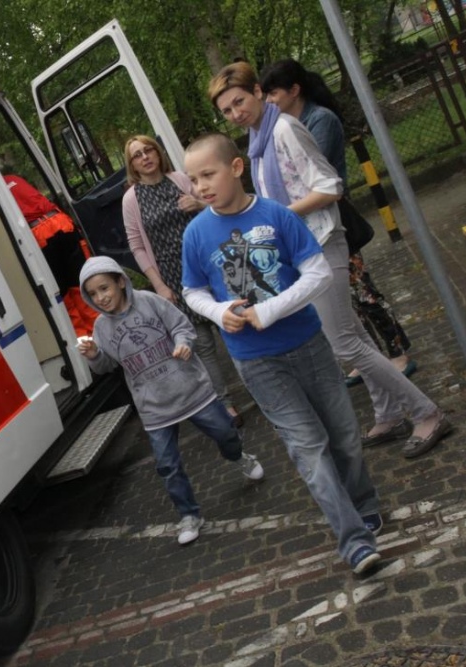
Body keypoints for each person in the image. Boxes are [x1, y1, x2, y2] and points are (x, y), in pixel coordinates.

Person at [208, 61, 450, 460]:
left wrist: (281, 217)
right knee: (352, 334)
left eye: (239, 102)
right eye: (226, 111)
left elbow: (330, 186)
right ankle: (389, 414)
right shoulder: (258, 142)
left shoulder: (283, 129)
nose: (236, 113)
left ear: (257, 92)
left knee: (343, 342)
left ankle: (427, 412)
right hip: (303, 248)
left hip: (323, 241)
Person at [180, 132, 381, 574]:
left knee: (344, 437)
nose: (200, 186)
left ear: (236, 168)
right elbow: (192, 291)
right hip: (257, 363)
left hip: (309, 346)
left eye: (208, 174)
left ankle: (364, 502)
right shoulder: (195, 234)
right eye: (193, 180)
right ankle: (354, 542)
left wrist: (269, 310)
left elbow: (318, 273)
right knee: (309, 449)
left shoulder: (276, 215)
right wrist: (218, 312)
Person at [77, 254, 265, 546]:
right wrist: (93, 356)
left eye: (104, 288)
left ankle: (238, 457)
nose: (100, 297)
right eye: (92, 294)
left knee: (225, 432)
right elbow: (106, 365)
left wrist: (183, 343)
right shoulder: (102, 327)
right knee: (167, 465)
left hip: (191, 390)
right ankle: (189, 514)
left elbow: (182, 326)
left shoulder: (149, 301)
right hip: (154, 408)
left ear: (120, 282)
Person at [258, 59, 415, 386]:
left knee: (362, 289)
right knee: (344, 301)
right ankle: (366, 356)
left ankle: (398, 351)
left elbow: (315, 173)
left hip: (332, 218)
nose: (269, 100)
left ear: (294, 90)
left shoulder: (319, 120)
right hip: (307, 223)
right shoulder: (281, 126)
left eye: (273, 93)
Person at [121, 135, 244, 427]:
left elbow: (216, 207)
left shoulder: (180, 179)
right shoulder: (131, 199)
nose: (145, 157)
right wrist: (159, 285)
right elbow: (137, 246)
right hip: (174, 277)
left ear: (157, 152)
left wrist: (198, 204)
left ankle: (260, 386)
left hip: (207, 265)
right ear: (132, 164)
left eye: (148, 150)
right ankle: (225, 403)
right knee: (203, 344)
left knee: (235, 328)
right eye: (137, 155)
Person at [3, 173, 99, 337]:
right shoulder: (13, 178)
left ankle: (85, 341)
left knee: (63, 295)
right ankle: (100, 331)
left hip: (39, 237)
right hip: (60, 224)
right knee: (82, 284)